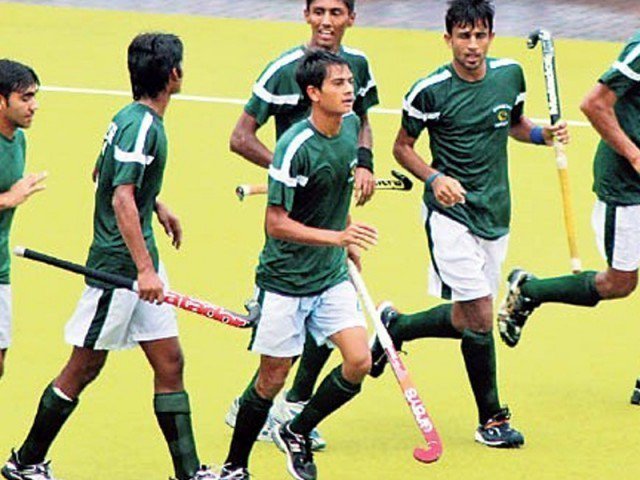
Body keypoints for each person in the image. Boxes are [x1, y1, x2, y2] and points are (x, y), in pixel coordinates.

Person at [1, 34, 215, 480]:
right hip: (119, 268)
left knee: (170, 362)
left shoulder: (128, 118)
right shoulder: (143, 127)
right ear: (173, 74)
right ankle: (25, 461)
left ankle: (189, 473)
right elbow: (119, 196)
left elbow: (104, 173)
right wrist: (144, 269)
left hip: (141, 261)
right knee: (83, 367)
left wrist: (154, 203)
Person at [375, 0, 569, 448]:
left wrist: (541, 135)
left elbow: (514, 124)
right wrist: (435, 178)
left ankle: (395, 328)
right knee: (481, 315)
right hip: (449, 215)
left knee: (466, 317)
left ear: (491, 38)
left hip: (495, 212)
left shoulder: (510, 76)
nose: (472, 45)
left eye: (480, 35)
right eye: (464, 36)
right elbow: (402, 148)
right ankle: (492, 419)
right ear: (448, 39)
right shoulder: (428, 92)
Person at [217, 49, 377, 480]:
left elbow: (335, 192)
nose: (349, 90)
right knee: (272, 379)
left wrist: (346, 236)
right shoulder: (293, 147)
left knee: (359, 361)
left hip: (330, 275)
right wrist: (336, 238)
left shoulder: (349, 131)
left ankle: (297, 431)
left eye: (350, 82)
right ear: (313, 93)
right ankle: (235, 466)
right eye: (338, 84)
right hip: (285, 281)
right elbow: (276, 224)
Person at [496, 31, 640, 405]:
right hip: (627, 188)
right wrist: (635, 155)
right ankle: (530, 291)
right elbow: (594, 104)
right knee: (620, 283)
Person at [0, 59, 47, 381]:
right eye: (25, 98)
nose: (34, 106)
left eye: (34, 96)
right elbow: (8, 198)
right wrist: (7, 199)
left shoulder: (19, 140)